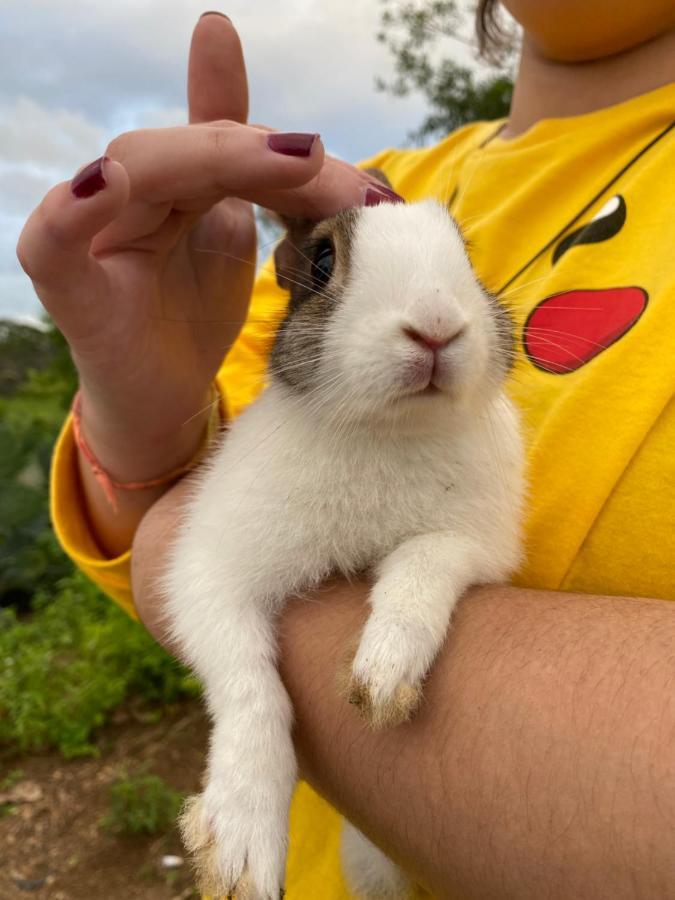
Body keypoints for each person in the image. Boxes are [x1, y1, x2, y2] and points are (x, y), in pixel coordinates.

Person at [17, 3, 675, 897]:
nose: (435, 322)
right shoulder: (365, 186)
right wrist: (141, 428)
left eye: (462, 272)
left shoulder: (478, 417)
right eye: (326, 271)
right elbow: (174, 555)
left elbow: (463, 538)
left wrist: (418, 583)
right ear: (299, 276)